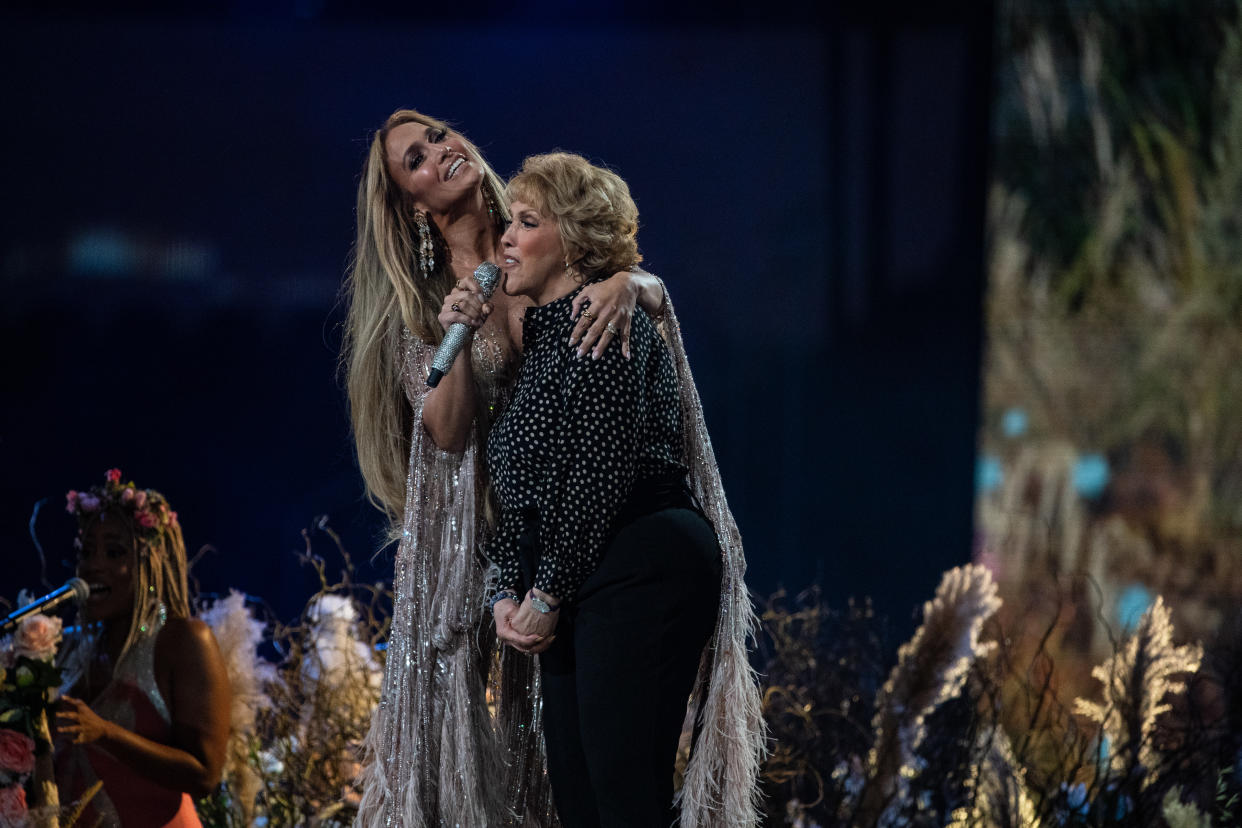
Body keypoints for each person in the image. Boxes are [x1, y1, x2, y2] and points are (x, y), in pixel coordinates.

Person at [342, 109, 667, 827]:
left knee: (579, 745)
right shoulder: (419, 304)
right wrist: (451, 329)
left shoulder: (541, 226)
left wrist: (637, 285)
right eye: (415, 160)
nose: (440, 152)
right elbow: (449, 432)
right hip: (480, 532)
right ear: (412, 205)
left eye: (438, 134)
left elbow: (627, 298)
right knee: (476, 724)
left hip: (580, 519)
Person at [487, 153, 765, 827]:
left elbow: (597, 472)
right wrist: (504, 586)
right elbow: (522, 487)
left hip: (639, 560)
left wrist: (546, 592)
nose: (505, 237)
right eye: (509, 220)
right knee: (584, 806)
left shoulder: (604, 321)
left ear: (575, 242)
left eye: (528, 222)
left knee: (624, 803)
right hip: (582, 573)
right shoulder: (548, 337)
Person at [55, 468, 231, 827]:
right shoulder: (73, 646)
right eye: (86, 552)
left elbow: (205, 775)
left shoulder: (182, 641)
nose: (93, 566)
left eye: (115, 552)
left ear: (151, 562)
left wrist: (107, 732)